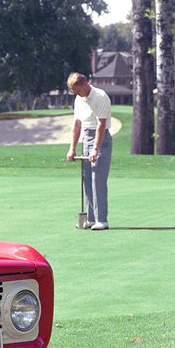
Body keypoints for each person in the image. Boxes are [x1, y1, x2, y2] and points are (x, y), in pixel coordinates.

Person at [65, 72, 112, 230]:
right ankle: (91, 219)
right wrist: (72, 148)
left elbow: (101, 125)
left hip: (101, 139)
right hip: (86, 137)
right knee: (87, 181)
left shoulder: (100, 96)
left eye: (78, 90)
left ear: (84, 84)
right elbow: (77, 125)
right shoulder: (79, 99)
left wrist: (96, 149)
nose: (77, 94)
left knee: (97, 179)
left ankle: (102, 220)